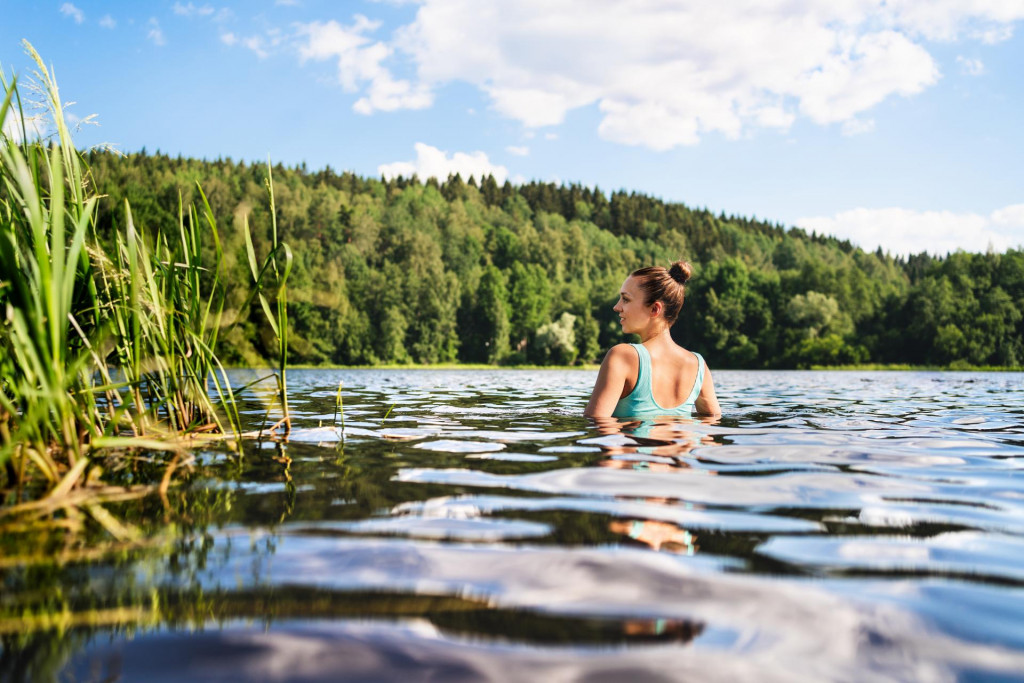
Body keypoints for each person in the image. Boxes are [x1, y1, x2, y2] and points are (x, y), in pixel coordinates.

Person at [584, 260, 721, 418]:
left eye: (626, 299)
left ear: (655, 309)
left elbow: (596, 424)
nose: (617, 307)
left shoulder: (622, 356)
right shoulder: (698, 365)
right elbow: (711, 425)